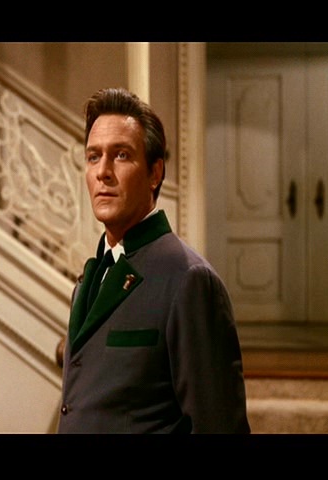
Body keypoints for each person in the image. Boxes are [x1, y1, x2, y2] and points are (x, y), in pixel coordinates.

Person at [56, 87, 250, 434]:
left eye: (121, 155)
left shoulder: (188, 279)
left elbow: (219, 426)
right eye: (93, 156)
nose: (103, 172)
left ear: (155, 173)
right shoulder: (91, 278)